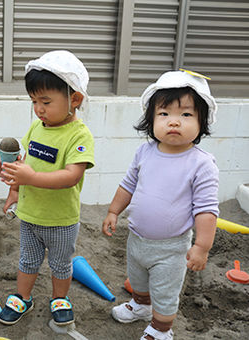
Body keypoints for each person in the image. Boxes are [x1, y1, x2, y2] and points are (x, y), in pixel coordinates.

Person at [101, 70, 219, 340]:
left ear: (203, 120)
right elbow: (128, 184)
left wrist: (201, 246)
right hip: (137, 239)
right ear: (151, 119)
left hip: (171, 247)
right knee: (138, 279)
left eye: (186, 114)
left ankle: (161, 330)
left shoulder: (200, 163)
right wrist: (112, 211)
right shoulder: (144, 152)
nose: (174, 122)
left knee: (165, 292)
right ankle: (141, 306)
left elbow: (206, 209)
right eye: (164, 114)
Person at [0, 50, 95, 326]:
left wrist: (30, 178)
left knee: (61, 264)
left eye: (46, 101)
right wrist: (14, 190)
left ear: (74, 99)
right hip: (30, 215)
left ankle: (59, 299)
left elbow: (71, 176)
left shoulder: (79, 135)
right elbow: (24, 162)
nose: (39, 108)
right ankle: (23, 297)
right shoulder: (37, 127)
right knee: (27, 260)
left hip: (61, 220)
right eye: (34, 101)